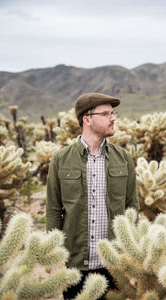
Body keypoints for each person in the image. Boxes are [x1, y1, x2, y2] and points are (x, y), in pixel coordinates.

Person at [46, 92, 139, 299]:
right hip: (74, 264)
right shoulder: (61, 159)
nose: (113, 118)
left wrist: (132, 258)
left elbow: (132, 209)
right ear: (87, 119)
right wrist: (53, 257)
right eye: (106, 113)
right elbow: (53, 211)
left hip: (115, 265)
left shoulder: (123, 158)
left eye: (113, 113)